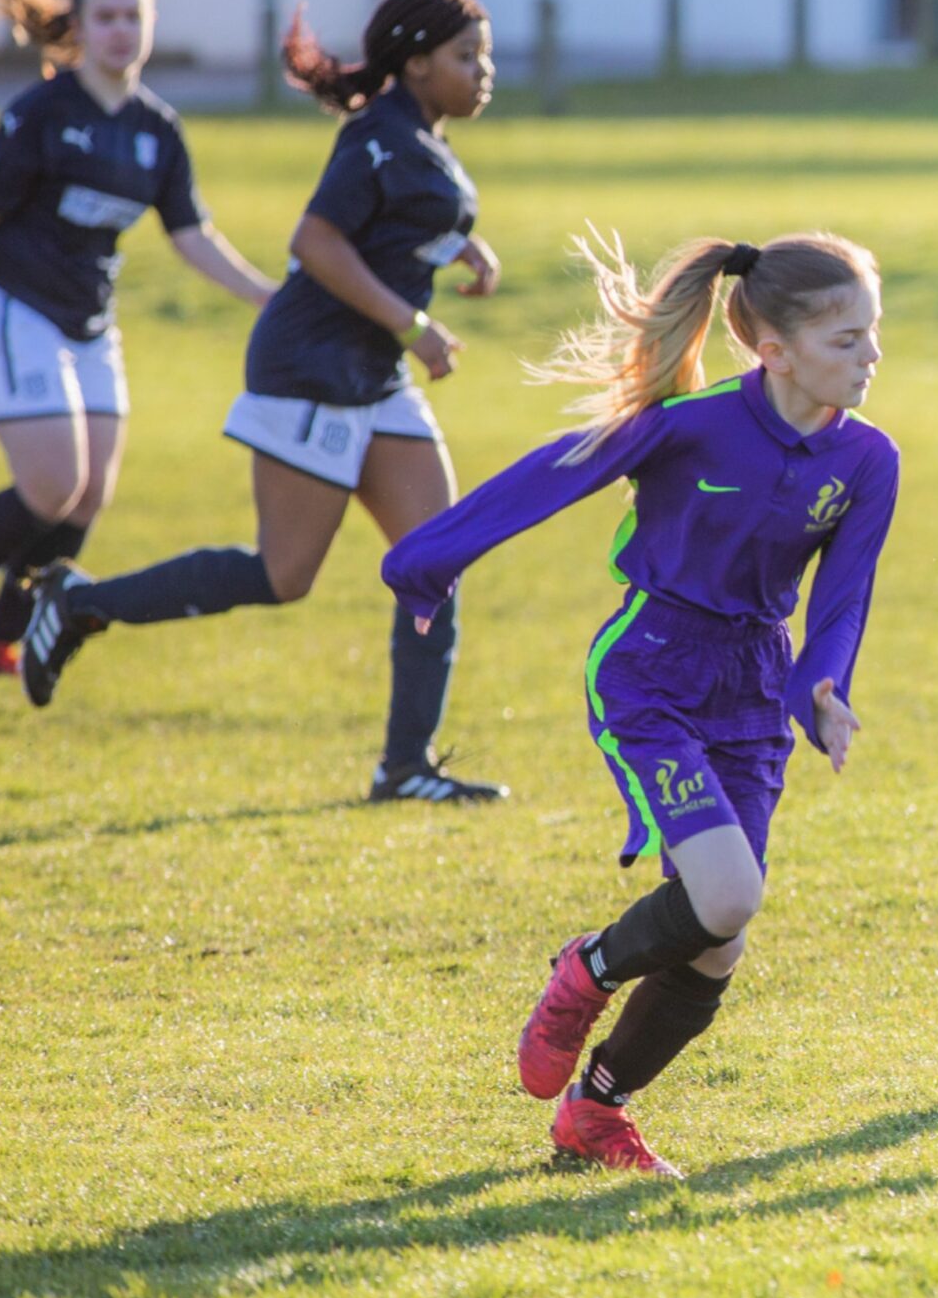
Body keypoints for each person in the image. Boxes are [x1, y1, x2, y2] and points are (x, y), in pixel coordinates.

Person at [383, 231, 895, 1175]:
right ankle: (584, 971)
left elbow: (844, 597)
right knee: (727, 896)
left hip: (750, 683)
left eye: (874, 335)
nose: (872, 357)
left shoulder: (868, 461)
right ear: (773, 349)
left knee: (719, 938)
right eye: (847, 340)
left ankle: (595, 1112)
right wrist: (425, 563)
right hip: (651, 668)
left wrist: (820, 687)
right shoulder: (692, 423)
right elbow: (550, 476)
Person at [21, 0, 509, 804]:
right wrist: (411, 322)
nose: (484, 71)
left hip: (372, 376)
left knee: (437, 560)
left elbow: (403, 219)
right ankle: (79, 602)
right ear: (417, 62)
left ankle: (406, 767)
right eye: (468, 57)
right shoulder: (376, 139)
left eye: (483, 55)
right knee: (283, 576)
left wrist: (463, 246)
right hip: (311, 366)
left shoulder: (420, 140)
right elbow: (315, 241)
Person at [0, 0, 276, 678]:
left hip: (91, 322)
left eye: (134, 16)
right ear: (80, 26)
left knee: (89, 492)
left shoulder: (157, 129)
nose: (121, 31)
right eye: (106, 17)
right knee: (50, 484)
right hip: (14, 306)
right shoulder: (41, 113)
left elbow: (191, 235)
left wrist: (265, 294)